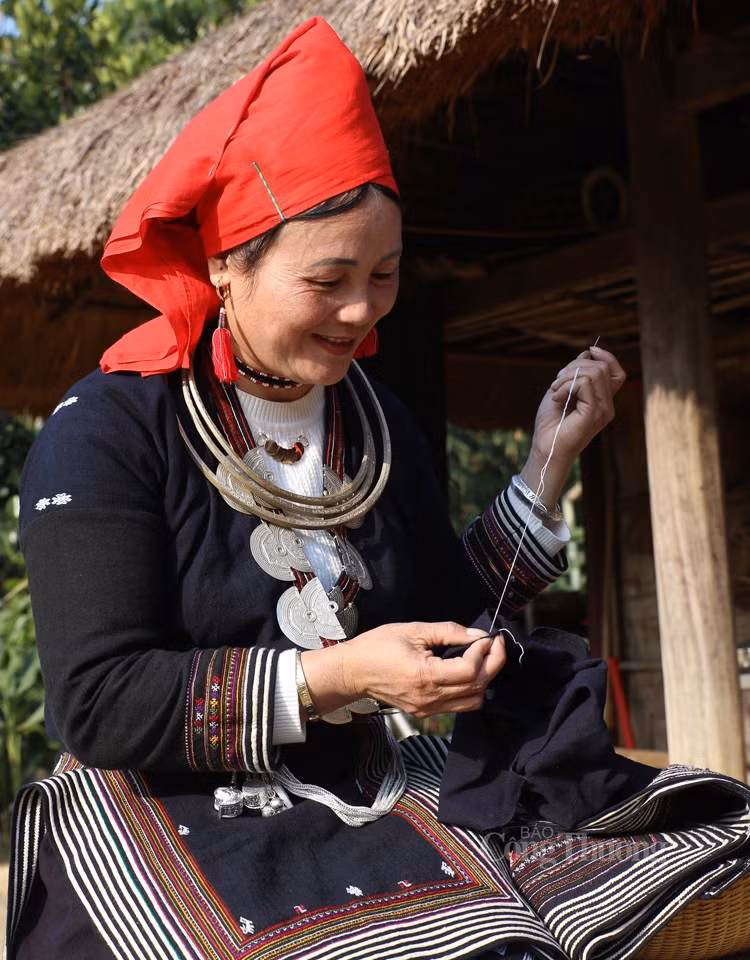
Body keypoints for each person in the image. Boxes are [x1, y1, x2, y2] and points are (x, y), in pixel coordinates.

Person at [8, 18, 626, 960]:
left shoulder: (373, 422)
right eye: (329, 278)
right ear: (225, 263)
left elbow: (449, 609)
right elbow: (98, 701)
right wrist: (339, 675)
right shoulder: (105, 432)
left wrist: (549, 460)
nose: (361, 310)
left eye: (383, 276)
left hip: (376, 789)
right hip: (165, 812)